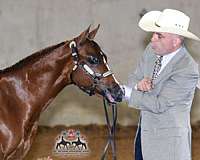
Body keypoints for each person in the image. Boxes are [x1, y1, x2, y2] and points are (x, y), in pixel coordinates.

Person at [122, 9, 200, 160]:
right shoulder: (151, 51)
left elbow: (159, 105)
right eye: (153, 33)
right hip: (144, 136)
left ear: (176, 41)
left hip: (169, 144)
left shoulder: (187, 69)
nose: (152, 39)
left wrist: (128, 93)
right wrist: (138, 85)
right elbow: (133, 78)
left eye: (159, 35)